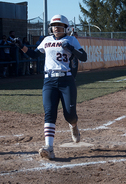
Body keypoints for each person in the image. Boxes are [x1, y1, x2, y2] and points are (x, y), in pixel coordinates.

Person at [17, 14, 87, 160]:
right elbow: (34, 54)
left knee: (69, 114)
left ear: (66, 28)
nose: (56, 28)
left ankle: (73, 125)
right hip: (49, 81)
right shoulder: (46, 40)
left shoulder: (71, 39)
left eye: (59, 25)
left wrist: (71, 48)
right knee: (49, 113)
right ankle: (49, 148)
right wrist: (21, 46)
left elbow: (83, 57)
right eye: (54, 25)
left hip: (66, 80)